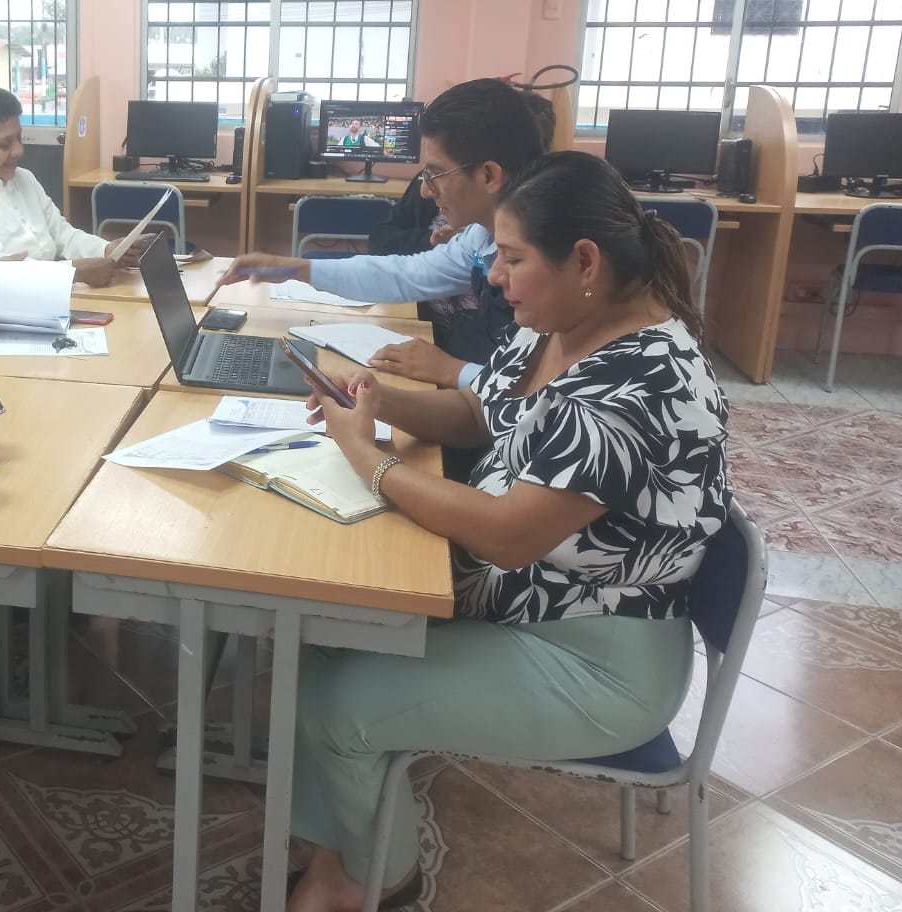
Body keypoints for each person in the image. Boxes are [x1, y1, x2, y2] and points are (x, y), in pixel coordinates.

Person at [285, 151, 729, 911]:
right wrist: (374, 400)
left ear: (583, 261)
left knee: (340, 705)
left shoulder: (642, 383)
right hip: (527, 605)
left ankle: (380, 875)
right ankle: (344, 853)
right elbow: (477, 409)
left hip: (593, 658)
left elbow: (508, 536)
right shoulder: (559, 323)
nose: (494, 276)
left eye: (513, 258)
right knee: (325, 632)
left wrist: (370, 460)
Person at [222, 80, 551, 474]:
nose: (425, 193)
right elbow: (405, 273)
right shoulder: (481, 236)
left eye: (435, 174)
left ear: (490, 175)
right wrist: (295, 269)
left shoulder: (551, 261)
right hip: (485, 423)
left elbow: (551, 400)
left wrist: (451, 370)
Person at [0, 83, 142, 284]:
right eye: (4, 145)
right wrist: (74, 272)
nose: (18, 151)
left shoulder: (24, 178)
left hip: (43, 297)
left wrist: (106, 249)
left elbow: (63, 235)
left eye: (19, 139)